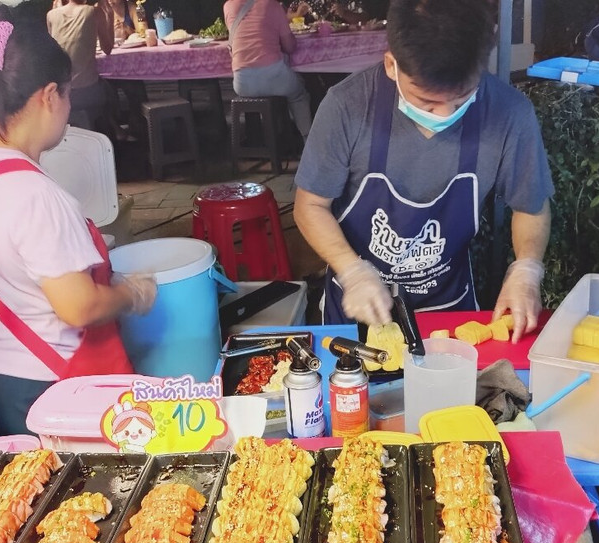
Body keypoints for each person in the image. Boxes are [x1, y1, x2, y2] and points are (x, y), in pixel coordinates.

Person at [293, 0, 553, 340]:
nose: (444, 115)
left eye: (461, 99)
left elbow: (531, 205)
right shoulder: (348, 106)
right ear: (391, 65)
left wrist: (527, 269)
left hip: (450, 310)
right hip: (357, 308)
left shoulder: (509, 113)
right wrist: (352, 270)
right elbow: (310, 205)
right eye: (426, 102)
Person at [0, 18, 157, 435]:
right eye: (67, 96)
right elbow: (78, 306)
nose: (68, 112)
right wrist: (131, 293)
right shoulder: (37, 195)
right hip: (51, 377)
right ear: (50, 95)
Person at [225, 0, 312, 139]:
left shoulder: (228, 6)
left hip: (242, 84)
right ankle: (308, 141)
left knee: (285, 83)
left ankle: (267, 138)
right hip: (274, 77)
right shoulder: (273, 5)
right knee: (299, 94)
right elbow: (290, 47)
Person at [47, 0, 114, 130]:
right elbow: (108, 48)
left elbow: (54, 49)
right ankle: (115, 133)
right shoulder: (94, 12)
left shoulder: (51, 15)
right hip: (87, 92)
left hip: (59, 92)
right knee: (111, 89)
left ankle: (113, 131)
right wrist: (110, 17)